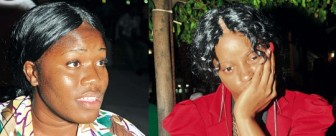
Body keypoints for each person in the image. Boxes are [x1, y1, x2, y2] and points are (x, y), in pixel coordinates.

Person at [163, 2, 334, 136]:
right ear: (216, 71)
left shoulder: (305, 112)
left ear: (270, 52)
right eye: (229, 68)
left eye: (253, 57)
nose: (245, 75)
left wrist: (244, 118)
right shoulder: (194, 117)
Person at [0, 2, 144, 136]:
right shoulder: (5, 124)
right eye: (74, 63)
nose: (95, 78)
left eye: (101, 62)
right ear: (33, 73)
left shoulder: (119, 131)